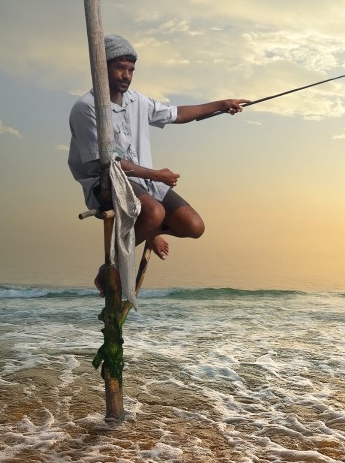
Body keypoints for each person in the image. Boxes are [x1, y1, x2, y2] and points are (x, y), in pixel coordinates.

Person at [68, 34, 249, 294]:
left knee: (194, 226)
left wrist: (222, 104)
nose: (126, 75)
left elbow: (178, 114)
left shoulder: (137, 101)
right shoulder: (86, 108)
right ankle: (109, 268)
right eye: (120, 67)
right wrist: (156, 175)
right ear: (101, 67)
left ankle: (148, 231)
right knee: (154, 212)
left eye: (131, 69)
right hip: (106, 183)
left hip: (143, 182)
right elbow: (108, 164)